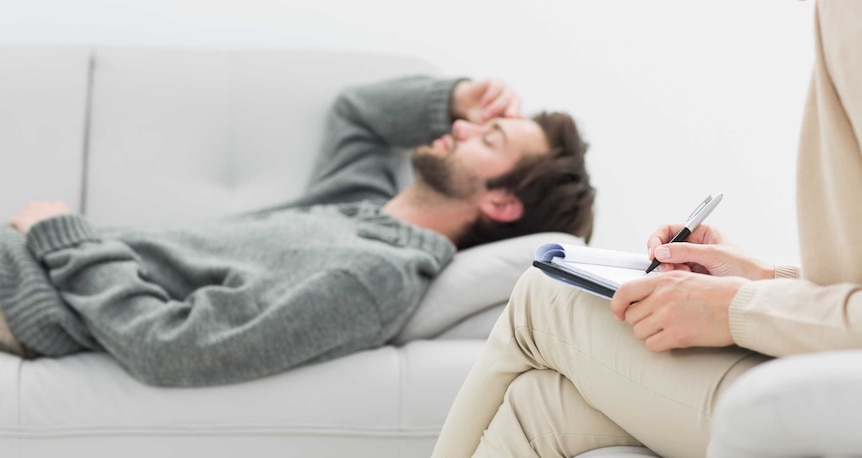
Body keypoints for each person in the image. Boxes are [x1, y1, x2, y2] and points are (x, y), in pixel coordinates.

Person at [421, 1, 862, 458]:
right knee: (538, 409)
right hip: (829, 362)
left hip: (836, 389)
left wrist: (737, 307)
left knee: (542, 295)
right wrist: (763, 276)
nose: (460, 128)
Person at [0, 75, 596, 387]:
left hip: (31, 290)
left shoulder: (372, 278)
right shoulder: (354, 206)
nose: (464, 127)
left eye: (487, 139)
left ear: (503, 202)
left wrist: (64, 239)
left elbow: (172, 349)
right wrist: (453, 95)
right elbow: (357, 112)